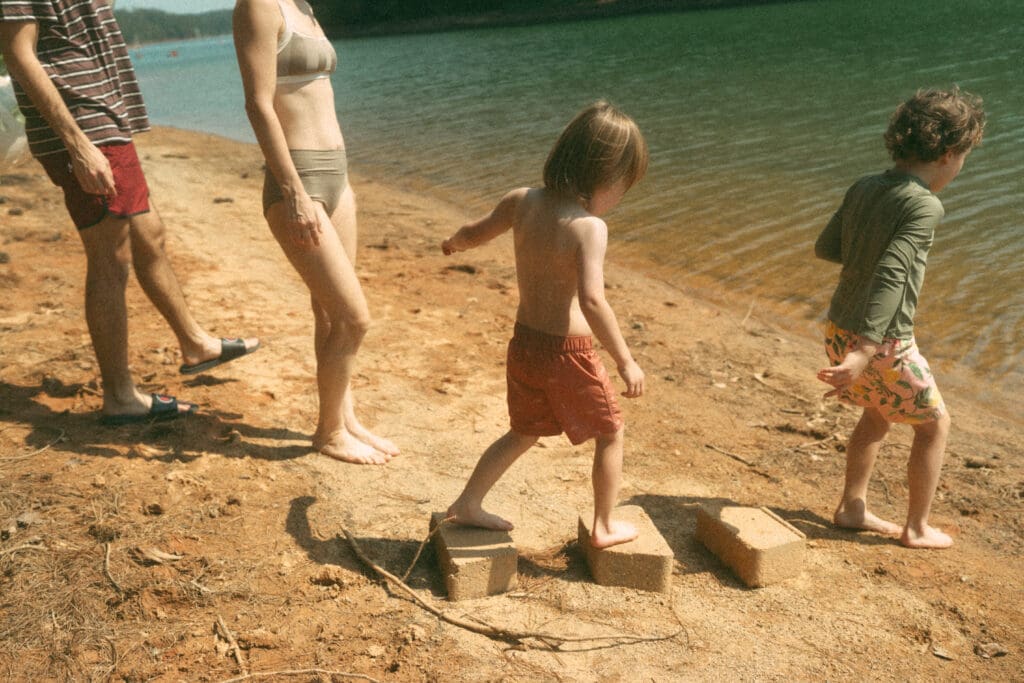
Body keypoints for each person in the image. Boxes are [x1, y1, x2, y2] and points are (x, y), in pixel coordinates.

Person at [0, 1, 260, 425]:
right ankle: (120, 395)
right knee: (110, 258)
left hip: (105, 115)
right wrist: (78, 144)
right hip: (84, 124)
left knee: (149, 234)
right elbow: (18, 51)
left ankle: (195, 342)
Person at [442, 101, 648, 549]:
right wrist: (627, 361)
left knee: (524, 431)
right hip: (568, 354)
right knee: (611, 433)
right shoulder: (589, 227)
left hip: (526, 345)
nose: (619, 198)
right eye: (622, 187)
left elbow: (475, 232)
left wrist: (456, 243)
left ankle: (468, 502)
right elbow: (593, 300)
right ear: (604, 176)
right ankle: (605, 526)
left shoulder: (521, 201)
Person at [815, 87, 985, 549]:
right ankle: (916, 527)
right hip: (882, 344)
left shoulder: (865, 186)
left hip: (838, 329)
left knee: (876, 413)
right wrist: (865, 352)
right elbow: (892, 274)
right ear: (950, 153)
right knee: (934, 425)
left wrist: (853, 347)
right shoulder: (925, 205)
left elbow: (828, 247)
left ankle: (853, 507)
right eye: (964, 156)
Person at [233, 0, 398, 464]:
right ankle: (327, 433)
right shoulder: (256, 7)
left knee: (329, 315)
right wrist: (293, 193)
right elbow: (258, 105)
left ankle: (345, 419)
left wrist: (342, 183)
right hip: (298, 179)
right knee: (354, 318)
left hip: (337, 176)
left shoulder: (302, 6)